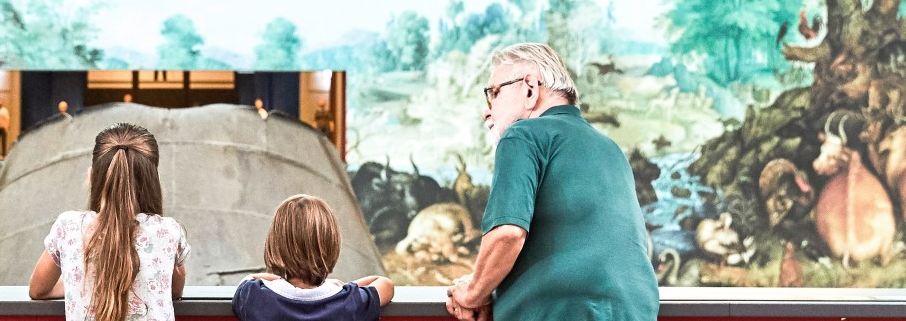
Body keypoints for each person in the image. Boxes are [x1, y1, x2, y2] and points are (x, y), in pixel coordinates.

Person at [445, 43, 658, 321]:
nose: (487, 112)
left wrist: (472, 293)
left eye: (494, 94)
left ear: (530, 88)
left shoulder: (523, 134)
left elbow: (507, 234)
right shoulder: (611, 148)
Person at [28, 123, 188, 321]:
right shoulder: (168, 231)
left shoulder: (68, 226)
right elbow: (174, 290)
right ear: (154, 180)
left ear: (91, 177)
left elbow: (38, 289)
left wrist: (79, 282)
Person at [233, 194, 395, 321]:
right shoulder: (349, 301)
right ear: (332, 246)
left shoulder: (253, 296)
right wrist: (345, 287)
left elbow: (249, 279)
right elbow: (385, 284)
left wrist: (278, 277)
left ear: (275, 246)